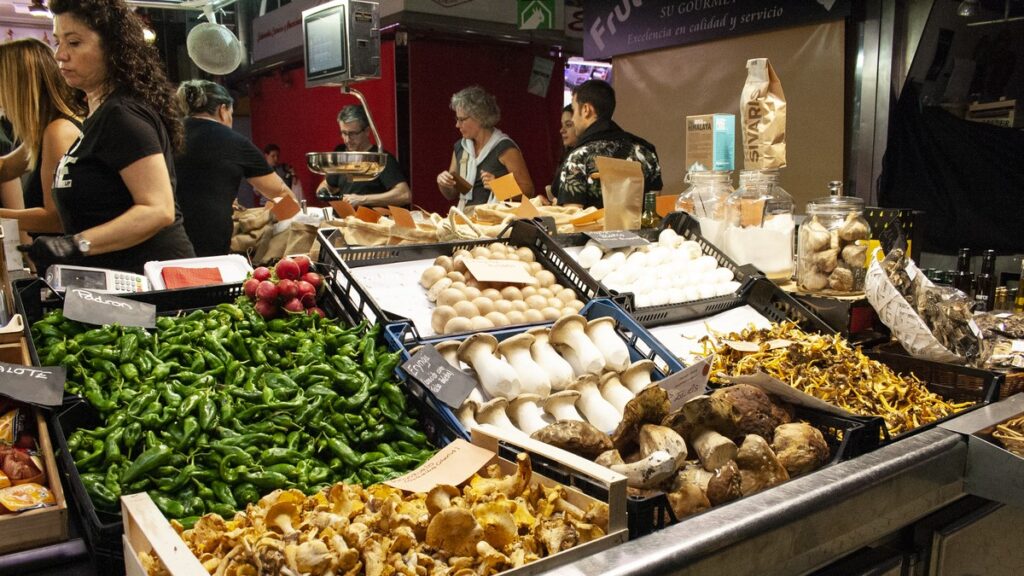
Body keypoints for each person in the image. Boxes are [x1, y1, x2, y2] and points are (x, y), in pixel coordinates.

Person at [23, 0, 195, 274]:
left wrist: (75, 245)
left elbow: (158, 209)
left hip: (151, 283)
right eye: (58, 42)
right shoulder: (98, 115)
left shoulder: (121, 115)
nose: (60, 55)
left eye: (74, 43)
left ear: (112, 48)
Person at [174, 80, 294, 257]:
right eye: (231, 114)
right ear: (223, 110)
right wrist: (283, 225)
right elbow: (282, 195)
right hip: (210, 244)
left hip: (167, 241)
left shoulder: (167, 135)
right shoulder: (235, 142)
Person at [0, 38, 84, 236]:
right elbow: (6, 168)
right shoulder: (44, 131)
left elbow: (55, 219)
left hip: (72, 260)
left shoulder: (59, 132)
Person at [552, 80, 663, 208]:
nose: (573, 119)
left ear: (586, 110)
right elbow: (653, 210)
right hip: (642, 228)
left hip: (594, 228)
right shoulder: (646, 152)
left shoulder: (579, 158)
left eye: (574, 110)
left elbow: (572, 218)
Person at [435, 86, 535, 210]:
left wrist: (500, 186)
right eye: (457, 119)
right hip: (465, 218)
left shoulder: (504, 148)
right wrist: (444, 183)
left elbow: (529, 191)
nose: (457, 125)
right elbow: (452, 194)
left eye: (462, 120)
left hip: (494, 220)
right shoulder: (461, 147)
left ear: (479, 117)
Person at [315, 105, 410, 207]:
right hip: (344, 220)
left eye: (353, 134)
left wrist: (363, 199)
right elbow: (328, 185)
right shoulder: (343, 157)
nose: (347, 139)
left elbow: (404, 195)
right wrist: (323, 191)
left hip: (371, 221)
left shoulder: (379, 159)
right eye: (344, 133)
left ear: (367, 131)